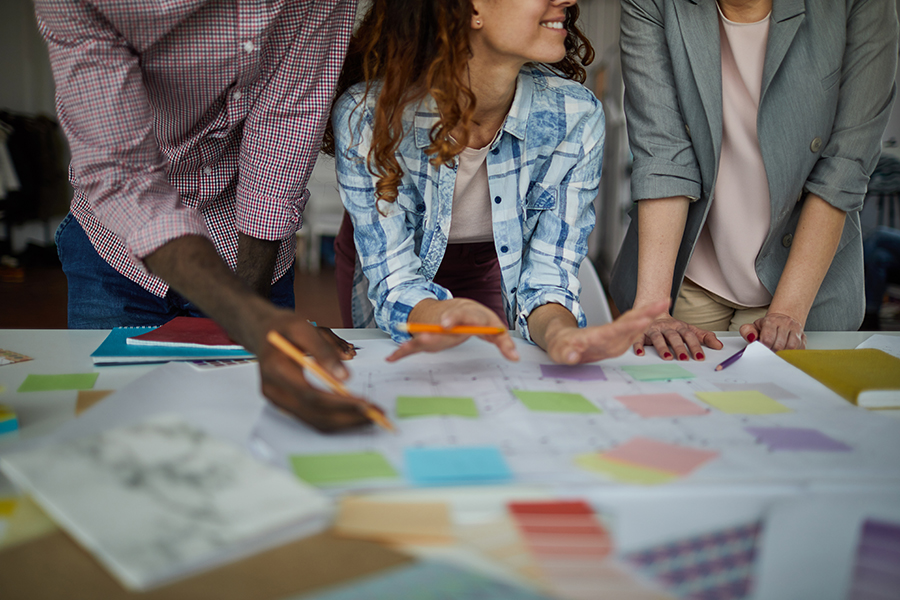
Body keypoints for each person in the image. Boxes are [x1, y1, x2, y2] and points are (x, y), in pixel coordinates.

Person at [34, 0, 373, 432]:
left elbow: (284, 131)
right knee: (115, 438)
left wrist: (251, 322)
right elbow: (122, 176)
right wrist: (250, 321)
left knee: (248, 435)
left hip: (250, 249)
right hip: (115, 249)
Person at [325, 0, 668, 365]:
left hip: (490, 260)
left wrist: (563, 336)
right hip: (391, 263)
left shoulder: (575, 117)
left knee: (491, 377)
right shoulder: (367, 117)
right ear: (471, 8)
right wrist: (441, 318)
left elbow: (548, 276)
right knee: (405, 377)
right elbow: (395, 282)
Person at [609, 0, 898, 361]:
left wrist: (787, 312)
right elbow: (662, 153)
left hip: (801, 281)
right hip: (685, 275)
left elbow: (842, 169)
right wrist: (653, 307)